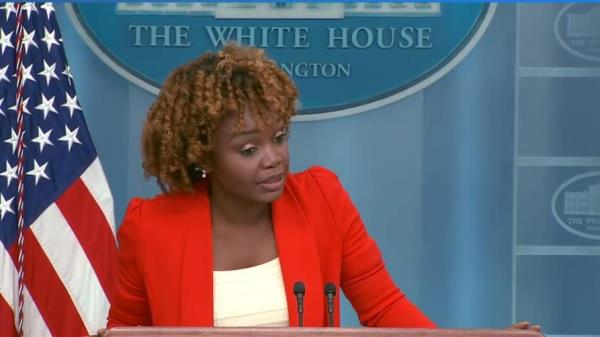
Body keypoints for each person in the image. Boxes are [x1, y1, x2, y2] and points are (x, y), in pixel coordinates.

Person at [106, 43, 540, 331]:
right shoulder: (151, 228)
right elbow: (125, 335)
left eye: (278, 139)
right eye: (248, 149)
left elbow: (386, 310)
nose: (273, 159)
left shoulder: (321, 200)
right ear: (203, 156)